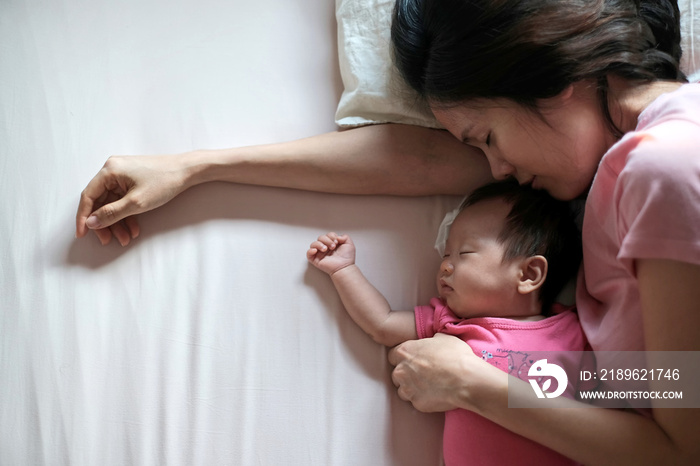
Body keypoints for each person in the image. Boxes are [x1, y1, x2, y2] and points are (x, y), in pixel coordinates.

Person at [75, 0, 700, 463]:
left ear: (549, 79)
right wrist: (193, 168)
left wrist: (481, 386)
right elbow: (416, 161)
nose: (496, 171)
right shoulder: (614, 159)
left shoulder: (665, 167)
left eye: (485, 137)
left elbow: (681, 447)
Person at [307, 181, 587, 465]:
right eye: (446, 254)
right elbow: (383, 323)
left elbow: (621, 395)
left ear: (528, 274)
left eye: (464, 253)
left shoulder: (574, 330)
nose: (445, 265)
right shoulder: (452, 324)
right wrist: (344, 270)